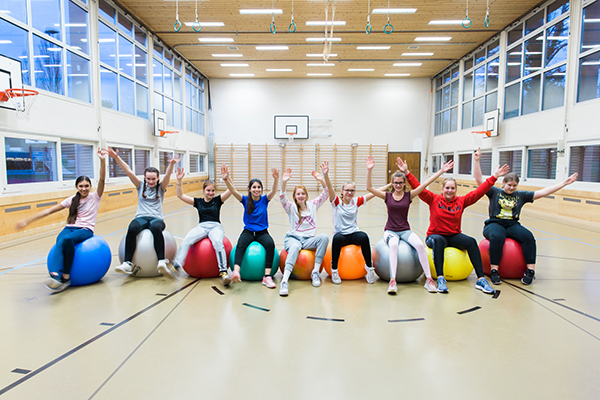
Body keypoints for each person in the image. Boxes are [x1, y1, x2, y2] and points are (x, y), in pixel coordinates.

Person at [404, 158, 509, 294]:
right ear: (442, 189)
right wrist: (407, 172)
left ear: (456, 190)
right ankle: (441, 279)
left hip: (454, 235)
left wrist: (494, 177)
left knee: (471, 241)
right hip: (434, 237)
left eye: (452, 188)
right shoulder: (433, 199)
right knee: (439, 240)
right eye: (447, 188)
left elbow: (479, 192)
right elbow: (418, 187)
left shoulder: (461, 201)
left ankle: (481, 279)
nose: (450, 190)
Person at [473, 148, 578, 285]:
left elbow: (544, 192)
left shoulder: (521, 195)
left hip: (512, 225)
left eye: (514, 186)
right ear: (503, 182)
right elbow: (479, 180)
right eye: (509, 185)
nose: (511, 188)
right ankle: (494, 271)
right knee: (497, 237)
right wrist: (477, 160)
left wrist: (564, 183)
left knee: (528, 237)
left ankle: (530, 271)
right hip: (494, 223)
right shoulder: (494, 192)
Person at [15, 149, 107, 293]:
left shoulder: (95, 197)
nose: (84, 189)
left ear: (90, 186)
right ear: (77, 187)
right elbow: (49, 211)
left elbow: (102, 179)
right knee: (60, 240)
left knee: (67, 240)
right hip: (70, 227)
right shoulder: (72, 199)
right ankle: (55, 275)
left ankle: (66, 275)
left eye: (86, 186)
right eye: (81, 186)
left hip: (85, 229)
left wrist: (102, 160)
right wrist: (27, 221)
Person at [366, 155, 454, 294]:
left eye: (401, 182)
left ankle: (429, 280)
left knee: (420, 245)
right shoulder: (387, 196)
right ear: (392, 183)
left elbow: (424, 184)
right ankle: (393, 281)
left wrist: (441, 171)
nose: (398, 185)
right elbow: (369, 188)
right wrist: (369, 170)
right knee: (394, 245)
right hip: (390, 231)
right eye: (395, 183)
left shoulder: (409, 195)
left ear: (404, 183)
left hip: (405, 230)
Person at [109, 147, 179, 278]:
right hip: (141, 217)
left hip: (156, 218)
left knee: (156, 228)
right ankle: (128, 262)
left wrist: (171, 164)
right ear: (145, 178)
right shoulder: (140, 186)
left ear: (158, 178)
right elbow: (127, 171)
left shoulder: (161, 188)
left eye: (153, 179)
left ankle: (161, 261)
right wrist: (116, 157)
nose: (151, 181)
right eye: (148, 179)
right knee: (132, 227)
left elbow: (168, 175)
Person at [322, 161, 390, 284]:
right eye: (347, 190)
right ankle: (334, 270)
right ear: (342, 191)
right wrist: (326, 175)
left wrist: (390, 185)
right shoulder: (336, 202)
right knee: (336, 239)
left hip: (353, 233)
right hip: (341, 234)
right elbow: (330, 189)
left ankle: (369, 268)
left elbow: (374, 192)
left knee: (364, 237)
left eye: (352, 190)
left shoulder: (356, 201)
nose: (349, 192)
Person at [221, 164, 279, 288]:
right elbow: (233, 191)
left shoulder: (264, 200)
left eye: (259, 187)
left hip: (262, 232)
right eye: (254, 187)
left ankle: (267, 277)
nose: (256, 189)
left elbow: (274, 191)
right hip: (248, 231)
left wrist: (275, 179)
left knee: (270, 244)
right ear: (249, 189)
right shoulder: (245, 200)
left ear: (261, 189)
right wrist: (226, 179)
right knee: (240, 245)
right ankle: (236, 271)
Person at [172, 168, 233, 285]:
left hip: (215, 226)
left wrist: (227, 178)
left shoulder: (218, 200)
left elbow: (231, 190)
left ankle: (224, 272)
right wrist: (179, 180)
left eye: (213, 191)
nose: (211, 193)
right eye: (208, 190)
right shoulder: (198, 202)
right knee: (187, 240)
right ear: (203, 190)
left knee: (217, 243)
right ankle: (177, 265)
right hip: (202, 227)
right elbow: (180, 195)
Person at [277, 164, 330, 296]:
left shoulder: (313, 205)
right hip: (294, 239)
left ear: (306, 195)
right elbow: (282, 197)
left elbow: (327, 193)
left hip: (308, 241)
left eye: (303, 193)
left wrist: (321, 179)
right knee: (294, 248)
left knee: (324, 237)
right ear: (295, 196)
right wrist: (283, 182)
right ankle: (284, 281)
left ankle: (315, 272)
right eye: (298, 194)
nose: (300, 196)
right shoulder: (291, 208)